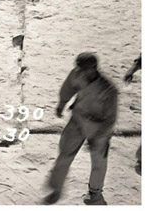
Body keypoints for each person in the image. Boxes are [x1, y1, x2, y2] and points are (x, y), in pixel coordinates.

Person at [44, 53, 118, 206]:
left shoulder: (108, 89)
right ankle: (56, 189)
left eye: (85, 69)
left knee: (98, 163)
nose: (81, 72)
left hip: (99, 127)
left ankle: (95, 195)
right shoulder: (77, 73)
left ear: (94, 68)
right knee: (64, 154)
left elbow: (110, 119)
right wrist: (61, 104)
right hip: (77, 120)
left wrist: (98, 138)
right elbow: (68, 88)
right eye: (80, 68)